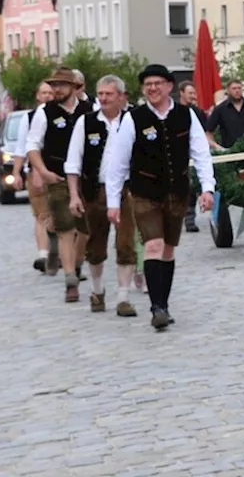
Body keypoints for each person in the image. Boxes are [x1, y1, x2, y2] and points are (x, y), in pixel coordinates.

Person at [104, 64, 216, 331]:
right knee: (153, 246)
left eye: (157, 83)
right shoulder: (133, 119)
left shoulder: (186, 116)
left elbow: (201, 154)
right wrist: (112, 202)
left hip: (176, 191)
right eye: (147, 85)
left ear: (169, 87)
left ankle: (163, 302)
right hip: (145, 192)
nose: (152, 88)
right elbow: (118, 163)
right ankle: (157, 307)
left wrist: (208, 188)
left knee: (168, 249)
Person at [65, 74, 138, 317]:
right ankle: (97, 290)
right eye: (101, 94)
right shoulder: (86, 123)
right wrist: (74, 195)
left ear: (121, 96)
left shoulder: (133, 120)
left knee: (126, 242)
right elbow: (73, 162)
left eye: (109, 94)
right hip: (94, 191)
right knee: (95, 245)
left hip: (128, 190)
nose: (104, 98)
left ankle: (123, 296)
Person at [25, 67, 90, 302]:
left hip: (87, 177)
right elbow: (32, 145)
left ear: (75, 87)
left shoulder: (89, 110)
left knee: (85, 229)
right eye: (54, 85)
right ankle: (70, 279)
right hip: (59, 177)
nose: (56, 89)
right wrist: (42, 172)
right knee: (66, 229)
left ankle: (76, 262)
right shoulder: (46, 113)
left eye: (61, 85)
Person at [14, 81, 58, 273]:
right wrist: (17, 172)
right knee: (42, 215)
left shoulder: (62, 115)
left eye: (50, 92)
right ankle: (43, 254)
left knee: (60, 217)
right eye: (44, 93)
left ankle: (59, 253)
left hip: (59, 173)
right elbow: (22, 146)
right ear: (37, 96)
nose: (47, 96)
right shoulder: (29, 118)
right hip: (36, 173)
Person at [177, 81, 210, 233]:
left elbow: (205, 133)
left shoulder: (199, 112)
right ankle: (186, 218)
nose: (193, 96)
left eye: (194, 93)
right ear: (181, 93)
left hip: (195, 154)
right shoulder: (174, 113)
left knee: (194, 186)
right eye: (190, 93)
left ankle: (190, 218)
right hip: (180, 155)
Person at [205, 79, 244, 150]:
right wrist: (217, 148)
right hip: (229, 152)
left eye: (239, 88)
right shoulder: (220, 109)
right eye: (234, 88)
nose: (237, 91)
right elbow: (208, 131)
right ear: (228, 90)